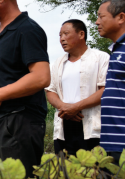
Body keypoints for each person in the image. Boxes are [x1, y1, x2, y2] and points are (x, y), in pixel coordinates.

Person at [0, 0, 50, 178]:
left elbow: (41, 76)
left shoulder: (26, 30)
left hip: (19, 123)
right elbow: (10, 75)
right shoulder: (1, 32)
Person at [46, 20, 109, 156]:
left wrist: (76, 107)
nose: (62, 38)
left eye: (66, 34)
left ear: (81, 34)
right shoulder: (57, 63)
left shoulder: (101, 58)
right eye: (60, 35)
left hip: (92, 127)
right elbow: (50, 91)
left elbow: (105, 90)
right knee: (65, 172)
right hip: (64, 126)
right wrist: (64, 107)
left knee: (94, 171)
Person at [96, 0, 125, 164]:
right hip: (112, 144)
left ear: (121, 18)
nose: (96, 22)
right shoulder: (117, 50)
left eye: (101, 16)